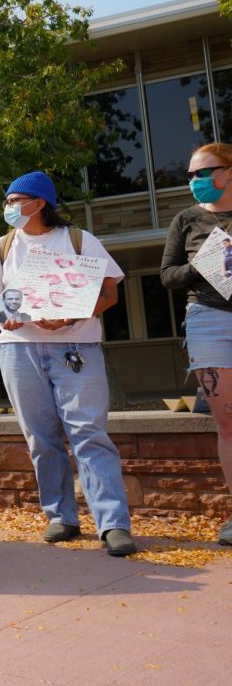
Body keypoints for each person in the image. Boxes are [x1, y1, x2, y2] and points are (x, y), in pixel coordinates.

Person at [0, 171, 136, 556]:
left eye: (14, 200)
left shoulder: (79, 241)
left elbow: (109, 291)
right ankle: (61, 517)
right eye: (8, 201)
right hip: (18, 348)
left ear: (39, 202)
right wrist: (1, 314)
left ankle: (113, 524)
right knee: (40, 437)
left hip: (77, 348)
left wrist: (73, 315)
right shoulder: (2, 247)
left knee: (89, 434)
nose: (8, 207)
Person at [160, 142, 232, 546]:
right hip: (209, 320)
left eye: (203, 173)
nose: (195, 181)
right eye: (190, 175)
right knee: (227, 423)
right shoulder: (185, 220)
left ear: (229, 172)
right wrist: (202, 264)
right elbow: (168, 276)